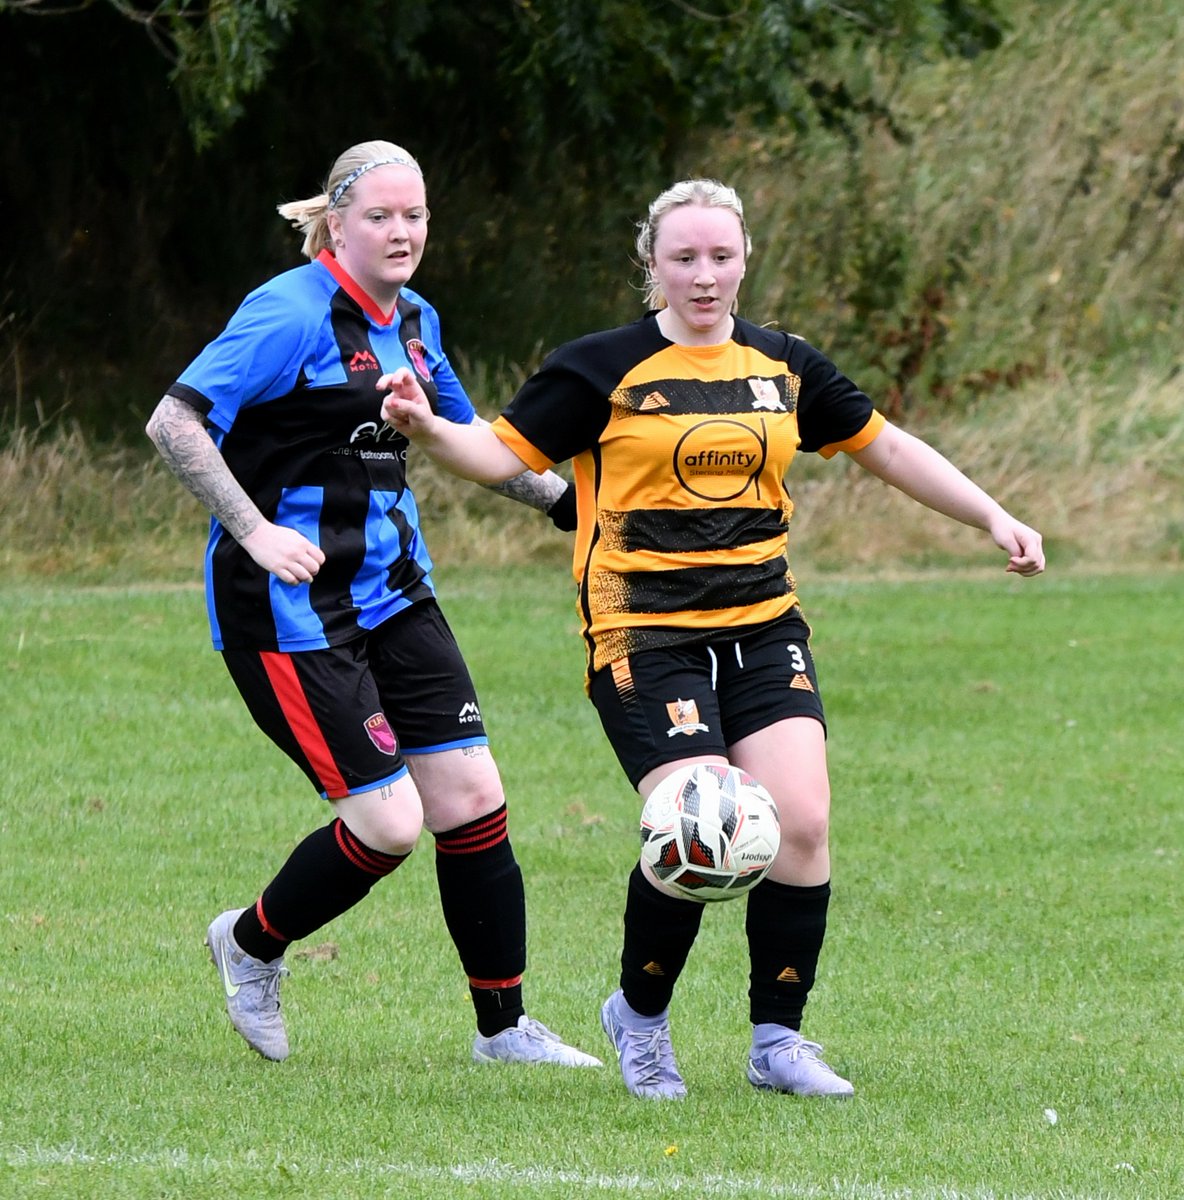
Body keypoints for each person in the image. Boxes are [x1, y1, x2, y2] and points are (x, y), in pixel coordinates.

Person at [379, 177, 1045, 1101]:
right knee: (702, 823)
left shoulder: (783, 366)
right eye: (684, 258)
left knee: (801, 828)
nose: (704, 276)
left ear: (744, 261)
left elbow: (885, 447)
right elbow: (499, 455)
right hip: (644, 635)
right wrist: (424, 426)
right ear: (650, 264)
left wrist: (993, 516)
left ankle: (779, 1040)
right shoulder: (598, 367)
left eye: (721, 257)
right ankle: (639, 1022)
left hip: (765, 629)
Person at [145, 139, 598, 1070]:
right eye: (380, 216)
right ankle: (250, 944)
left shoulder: (416, 319)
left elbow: (466, 441)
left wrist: (574, 506)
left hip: (396, 591)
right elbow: (173, 420)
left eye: (416, 215)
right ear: (338, 221)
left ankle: (505, 1031)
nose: (401, 232)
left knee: (472, 798)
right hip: (291, 607)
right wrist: (252, 529)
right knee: (388, 823)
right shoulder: (287, 312)